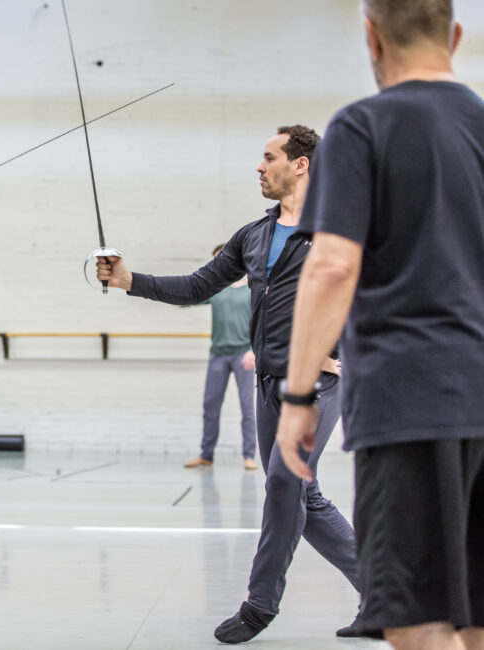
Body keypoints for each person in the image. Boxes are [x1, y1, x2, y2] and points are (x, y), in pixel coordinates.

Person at [97, 125, 362, 644]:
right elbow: (198, 286)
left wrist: (351, 352)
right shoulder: (254, 235)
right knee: (301, 496)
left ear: (301, 164)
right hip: (269, 383)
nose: (259, 167)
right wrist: (130, 281)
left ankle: (259, 605)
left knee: (285, 485)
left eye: (268, 157)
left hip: (315, 384)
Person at [276, 2, 484, 649]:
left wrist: (297, 395)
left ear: (370, 35)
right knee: (473, 612)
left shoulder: (362, 126)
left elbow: (331, 267)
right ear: (454, 34)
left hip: (408, 400)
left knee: (415, 619)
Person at [183, 243, 258, 470]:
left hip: (243, 354)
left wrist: (253, 350)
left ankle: (249, 455)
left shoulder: (251, 289)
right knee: (210, 404)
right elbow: (187, 297)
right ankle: (206, 454)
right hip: (218, 354)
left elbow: (262, 322)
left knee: (247, 405)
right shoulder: (215, 290)